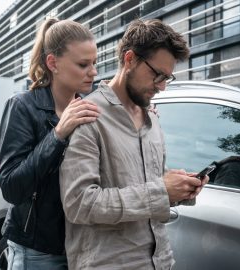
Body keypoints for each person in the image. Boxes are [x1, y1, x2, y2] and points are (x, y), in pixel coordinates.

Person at [59, 19, 209, 270]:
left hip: (160, 261)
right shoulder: (88, 117)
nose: (161, 86)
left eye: (167, 78)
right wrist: (161, 191)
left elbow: (148, 186)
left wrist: (178, 189)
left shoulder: (152, 118)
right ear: (130, 59)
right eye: (157, 74)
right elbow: (79, 203)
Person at [0, 18, 100, 270]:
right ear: (53, 63)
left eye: (95, 63)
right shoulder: (23, 107)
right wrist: (58, 134)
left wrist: (137, 112)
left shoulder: (93, 106)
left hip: (85, 247)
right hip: (38, 252)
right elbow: (11, 187)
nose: (94, 72)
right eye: (83, 64)